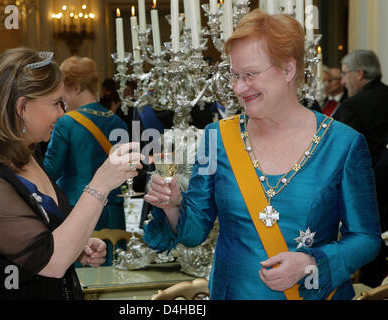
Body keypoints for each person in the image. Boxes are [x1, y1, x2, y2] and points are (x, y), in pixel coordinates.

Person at [143, 10, 381, 300]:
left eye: (250, 75)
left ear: (288, 69)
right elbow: (194, 232)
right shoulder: (217, 138)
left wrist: (311, 263)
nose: (239, 88)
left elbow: (367, 239)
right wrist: (173, 204)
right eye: (235, 76)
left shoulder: (343, 144)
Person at [0, 48, 143, 299]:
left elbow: (39, 238)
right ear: (22, 107)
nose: (62, 113)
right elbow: (52, 261)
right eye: (56, 103)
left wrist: (78, 246)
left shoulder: (28, 154)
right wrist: (101, 184)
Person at [44, 56, 129, 265]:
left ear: (78, 88)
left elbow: (49, 172)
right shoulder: (118, 121)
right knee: (113, 272)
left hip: (79, 209)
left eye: (63, 91)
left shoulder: (65, 122)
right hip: (114, 209)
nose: (61, 99)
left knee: (83, 276)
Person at [336, 49, 388, 288]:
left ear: (359, 73)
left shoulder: (352, 107)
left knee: (371, 266)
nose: (343, 80)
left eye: (345, 74)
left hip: (368, 196)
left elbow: (340, 156)